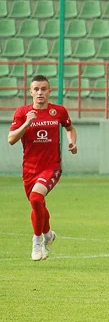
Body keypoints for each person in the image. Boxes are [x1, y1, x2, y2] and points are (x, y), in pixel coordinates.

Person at [8, 75, 78, 261]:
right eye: (36, 89)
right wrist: (27, 123)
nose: (40, 92)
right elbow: (11, 139)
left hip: (51, 167)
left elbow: (70, 128)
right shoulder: (23, 112)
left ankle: (37, 241)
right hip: (29, 169)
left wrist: (72, 143)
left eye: (43, 89)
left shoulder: (59, 111)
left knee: (36, 197)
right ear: (30, 92)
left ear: (49, 91)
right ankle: (48, 234)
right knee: (36, 203)